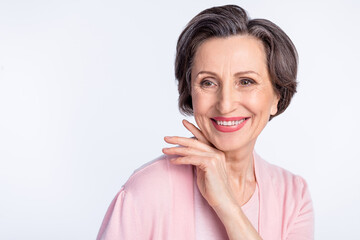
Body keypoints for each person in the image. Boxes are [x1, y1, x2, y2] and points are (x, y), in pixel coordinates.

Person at [97, 5, 314, 240]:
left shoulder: (293, 196)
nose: (225, 104)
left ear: (276, 97)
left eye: (246, 81)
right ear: (191, 92)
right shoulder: (146, 190)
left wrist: (228, 207)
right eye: (208, 82)